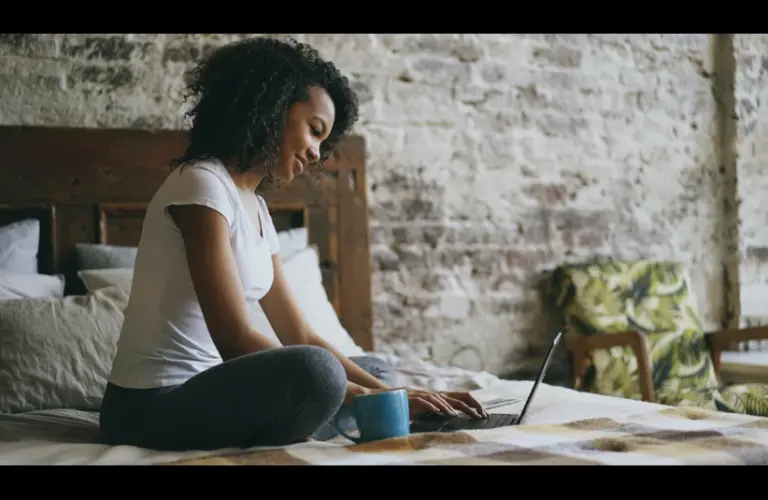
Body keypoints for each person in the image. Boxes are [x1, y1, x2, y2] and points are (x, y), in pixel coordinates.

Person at [99, 36, 487, 452]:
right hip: (149, 407)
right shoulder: (201, 183)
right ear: (271, 108)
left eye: (325, 140)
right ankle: (321, 417)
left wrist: (394, 394)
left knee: (375, 369)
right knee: (320, 373)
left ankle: (324, 416)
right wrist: (365, 395)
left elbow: (297, 330)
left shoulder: (257, 209)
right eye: (314, 130)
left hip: (211, 396)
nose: (318, 153)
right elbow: (234, 339)